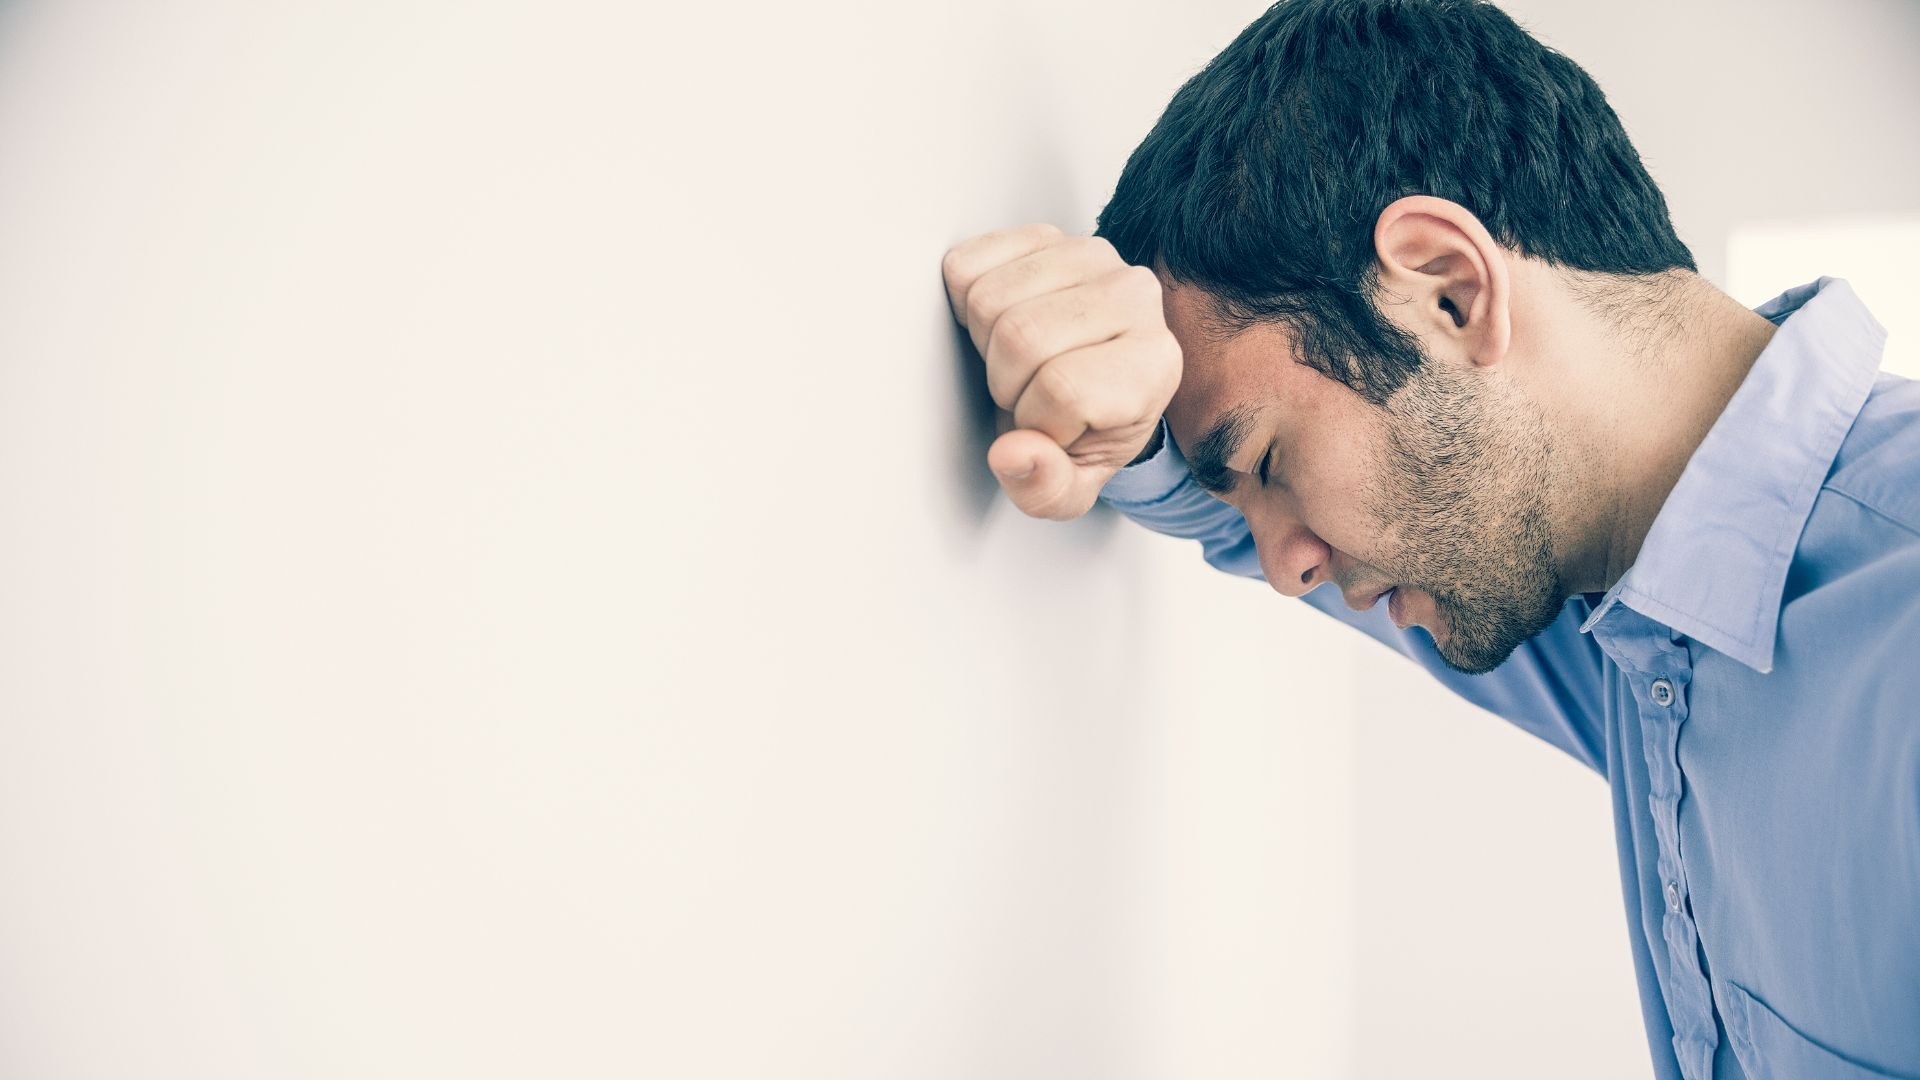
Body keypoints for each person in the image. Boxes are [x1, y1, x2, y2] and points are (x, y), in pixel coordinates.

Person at [940, 1, 1919, 1077]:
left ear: (1449, 291)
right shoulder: (1633, 618)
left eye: (1268, 464)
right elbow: (1199, 509)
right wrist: (1121, 417)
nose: (1282, 567)